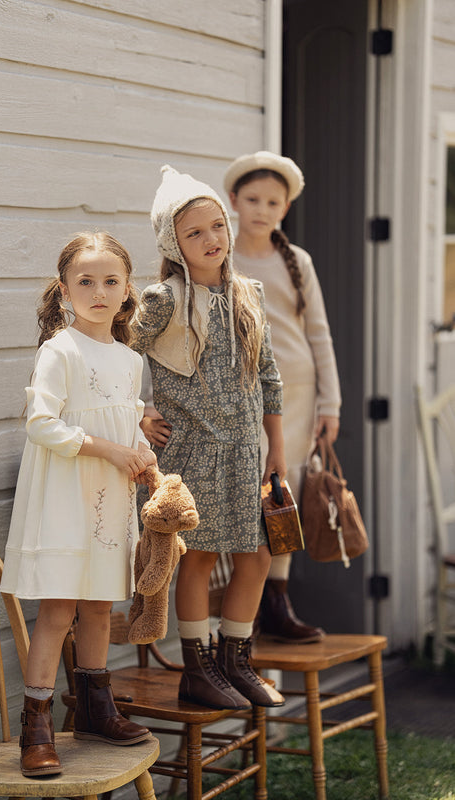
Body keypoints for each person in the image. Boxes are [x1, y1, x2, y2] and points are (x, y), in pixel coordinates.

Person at [0, 232, 156, 777]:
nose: (98, 291)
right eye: (85, 281)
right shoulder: (59, 349)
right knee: (60, 608)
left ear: (127, 290)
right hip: (65, 495)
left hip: (110, 498)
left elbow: (128, 416)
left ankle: (95, 708)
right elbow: (42, 423)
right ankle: (37, 726)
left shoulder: (130, 358)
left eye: (110, 281)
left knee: (99, 605)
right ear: (64, 290)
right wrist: (111, 449)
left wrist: (140, 454)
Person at [133, 165, 286, 710]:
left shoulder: (249, 294)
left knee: (259, 555)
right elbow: (117, 358)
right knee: (198, 556)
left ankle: (234, 659)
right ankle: (195, 668)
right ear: (173, 243)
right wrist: (139, 413)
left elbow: (268, 376)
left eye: (216, 226)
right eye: (194, 232)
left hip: (246, 451)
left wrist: (278, 455)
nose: (211, 240)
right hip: (192, 451)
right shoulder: (162, 300)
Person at [223, 150, 341, 643]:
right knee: (246, 491)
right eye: (252, 199)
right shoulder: (221, 255)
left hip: (296, 393)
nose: (262, 209)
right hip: (242, 395)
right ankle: (240, 610)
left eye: (274, 201)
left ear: (285, 207)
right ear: (233, 199)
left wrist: (329, 403)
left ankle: (277, 599)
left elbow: (319, 334)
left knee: (282, 493)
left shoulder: (298, 262)